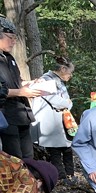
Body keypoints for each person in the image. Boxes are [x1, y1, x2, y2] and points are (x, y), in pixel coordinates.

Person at [0, 16, 41, 159]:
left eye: (15, 37)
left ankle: (30, 181)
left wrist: (28, 84)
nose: (13, 41)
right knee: (14, 157)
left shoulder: (9, 58)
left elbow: (14, 82)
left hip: (22, 114)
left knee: (28, 155)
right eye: (10, 37)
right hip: (6, 115)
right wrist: (21, 92)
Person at [31, 56, 77, 184]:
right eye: (70, 72)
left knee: (67, 148)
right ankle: (61, 177)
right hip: (51, 122)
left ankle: (70, 174)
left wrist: (67, 103)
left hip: (61, 121)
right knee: (55, 150)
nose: (70, 75)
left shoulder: (59, 81)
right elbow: (55, 100)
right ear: (62, 69)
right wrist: (67, 103)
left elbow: (66, 100)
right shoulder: (46, 79)